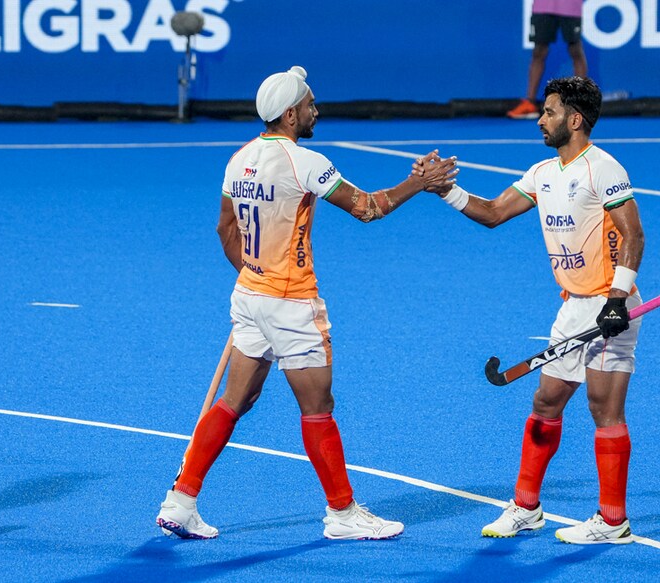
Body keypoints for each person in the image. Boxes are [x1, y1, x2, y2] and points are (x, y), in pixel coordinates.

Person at [154, 66, 457, 540]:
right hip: (292, 305)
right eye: (311, 103)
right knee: (317, 407)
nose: (318, 110)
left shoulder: (240, 159)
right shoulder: (306, 162)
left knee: (237, 399)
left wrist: (255, 275)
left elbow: (224, 230)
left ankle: (182, 499)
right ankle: (341, 514)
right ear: (291, 114)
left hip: (250, 296)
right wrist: (419, 182)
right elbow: (368, 208)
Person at [422, 76, 644, 544]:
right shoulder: (543, 173)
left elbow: (633, 236)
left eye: (549, 112)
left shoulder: (603, 169)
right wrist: (445, 191)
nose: (541, 119)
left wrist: (618, 299)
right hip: (572, 307)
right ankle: (526, 507)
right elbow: (493, 213)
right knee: (546, 401)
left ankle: (612, 520)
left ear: (575, 120)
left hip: (611, 306)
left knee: (603, 408)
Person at [507, 0, 588, 119]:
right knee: (538, 51)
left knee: (575, 50)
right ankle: (530, 103)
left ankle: (579, 104)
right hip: (543, 6)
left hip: (570, 6)